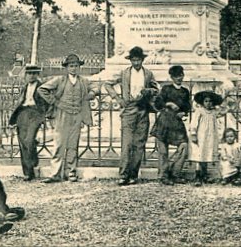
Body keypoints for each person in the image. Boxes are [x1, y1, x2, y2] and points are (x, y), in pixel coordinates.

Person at [37, 54, 99, 183]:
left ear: (79, 67)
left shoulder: (83, 81)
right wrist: (55, 102)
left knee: (73, 145)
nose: (74, 68)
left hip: (77, 115)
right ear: (66, 68)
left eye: (76, 66)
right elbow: (42, 89)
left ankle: (71, 172)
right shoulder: (59, 80)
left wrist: (92, 93)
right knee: (59, 144)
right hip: (62, 115)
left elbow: (96, 87)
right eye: (71, 66)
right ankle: (55, 173)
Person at [104, 46, 160, 185]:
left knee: (139, 144)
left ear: (142, 60)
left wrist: (149, 91)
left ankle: (134, 174)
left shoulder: (148, 74)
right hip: (128, 109)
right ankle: (123, 175)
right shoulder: (124, 73)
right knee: (127, 144)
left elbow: (156, 89)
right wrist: (117, 98)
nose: (136, 63)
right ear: (130, 60)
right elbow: (108, 84)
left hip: (142, 109)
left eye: (138, 60)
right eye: (134, 60)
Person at [151, 65, 192, 185]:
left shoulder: (185, 91)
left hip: (177, 123)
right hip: (164, 121)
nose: (179, 78)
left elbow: (187, 106)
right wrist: (168, 104)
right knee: (163, 151)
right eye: (176, 76)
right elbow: (158, 103)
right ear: (171, 77)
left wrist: (183, 112)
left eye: (180, 75)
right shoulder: (166, 89)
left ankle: (175, 173)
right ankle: (163, 175)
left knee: (184, 146)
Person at [8, 64, 48, 181]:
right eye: (29, 74)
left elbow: (46, 102)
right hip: (23, 113)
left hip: (35, 114)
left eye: (34, 74)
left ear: (37, 75)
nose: (31, 76)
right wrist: (15, 118)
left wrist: (44, 115)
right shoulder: (24, 87)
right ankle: (28, 172)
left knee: (29, 140)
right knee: (22, 142)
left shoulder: (42, 87)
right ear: (26, 75)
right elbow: (20, 103)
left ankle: (32, 160)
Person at [189, 90, 225, 186]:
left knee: (207, 154)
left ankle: (204, 174)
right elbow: (194, 123)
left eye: (210, 101)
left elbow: (225, 110)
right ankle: (197, 175)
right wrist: (193, 134)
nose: (208, 103)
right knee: (200, 154)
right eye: (206, 101)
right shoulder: (199, 111)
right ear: (202, 102)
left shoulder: (213, 112)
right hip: (201, 136)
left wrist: (220, 103)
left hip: (211, 136)